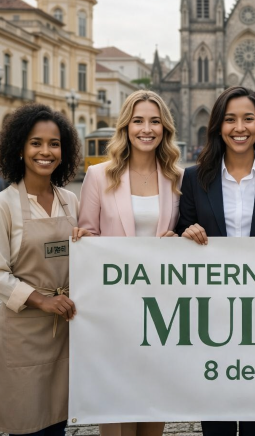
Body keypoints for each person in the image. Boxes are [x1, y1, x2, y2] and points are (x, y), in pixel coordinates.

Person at [175, 86, 255, 436]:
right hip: (211, 317)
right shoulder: (194, 178)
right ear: (218, 126)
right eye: (230, 119)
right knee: (216, 419)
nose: (239, 127)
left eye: (248, 118)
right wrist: (187, 233)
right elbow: (181, 233)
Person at [74, 90, 183, 436]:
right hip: (114, 309)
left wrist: (180, 241)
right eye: (138, 121)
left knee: (154, 396)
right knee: (116, 403)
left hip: (162, 309)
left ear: (164, 128)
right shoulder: (99, 176)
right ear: (126, 126)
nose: (146, 129)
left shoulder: (178, 178)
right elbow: (87, 235)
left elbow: (186, 236)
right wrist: (83, 240)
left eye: (154, 121)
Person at [0, 103, 82, 436]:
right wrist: (42, 300)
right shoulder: (2, 205)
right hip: (23, 335)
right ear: (20, 149)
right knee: (28, 426)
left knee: (59, 424)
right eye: (36, 142)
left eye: (54, 144)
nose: (46, 151)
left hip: (66, 332)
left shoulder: (71, 200)